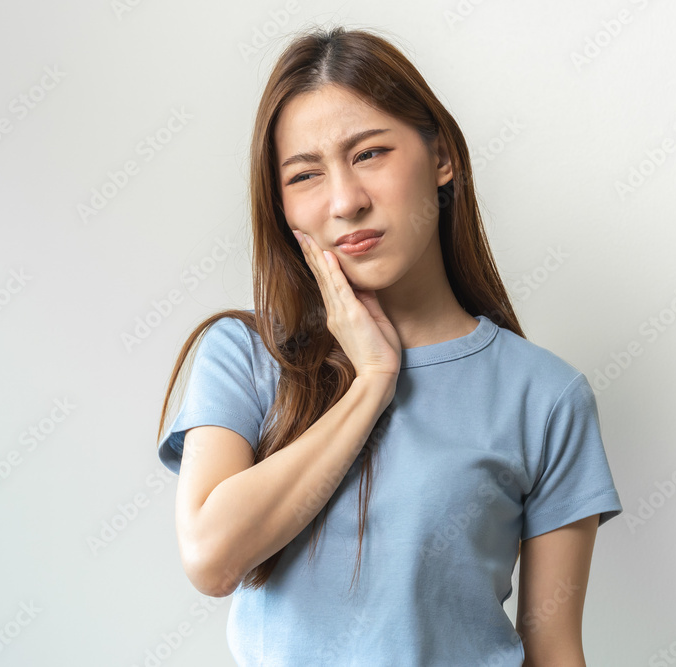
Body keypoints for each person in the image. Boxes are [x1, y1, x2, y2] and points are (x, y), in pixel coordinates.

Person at [155, 25, 623, 666]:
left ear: (441, 159)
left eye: (369, 153)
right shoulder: (245, 355)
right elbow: (212, 559)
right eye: (305, 174)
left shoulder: (544, 395)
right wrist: (372, 382)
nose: (345, 201)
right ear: (282, 207)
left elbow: (554, 650)